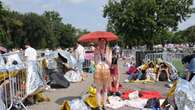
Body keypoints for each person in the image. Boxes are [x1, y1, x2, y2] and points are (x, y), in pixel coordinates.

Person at [94, 38, 112, 109]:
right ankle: (99, 106)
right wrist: (99, 54)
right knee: (98, 89)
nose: (102, 44)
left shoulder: (109, 51)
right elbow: (95, 62)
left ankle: (104, 105)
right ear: (98, 43)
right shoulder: (96, 50)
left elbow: (110, 63)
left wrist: (105, 57)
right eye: (100, 42)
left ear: (106, 43)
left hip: (106, 70)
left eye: (103, 42)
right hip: (98, 70)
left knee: (105, 89)